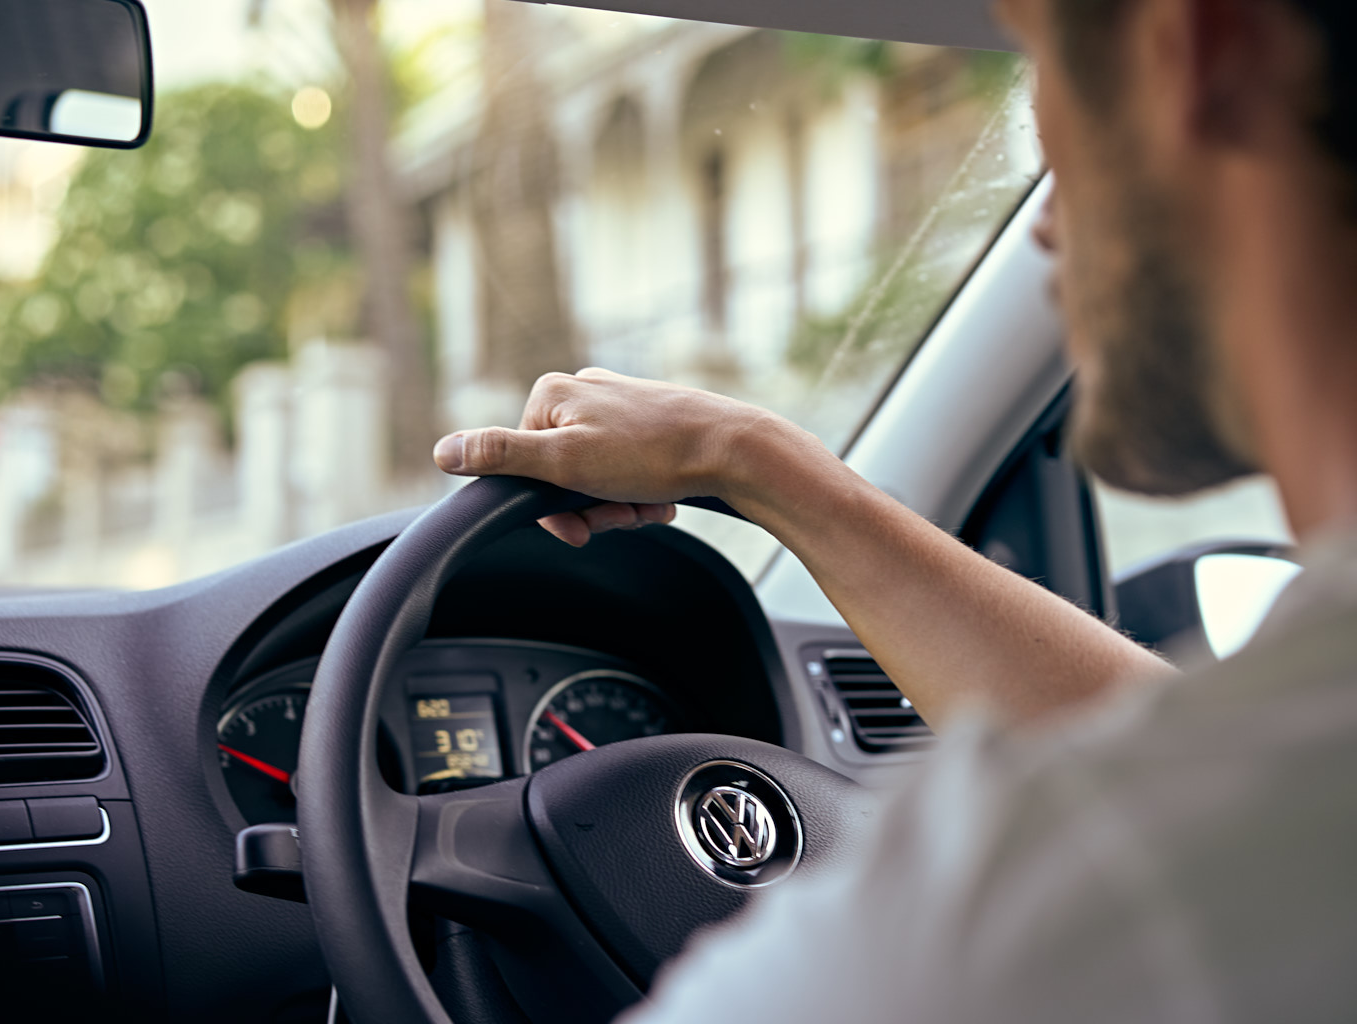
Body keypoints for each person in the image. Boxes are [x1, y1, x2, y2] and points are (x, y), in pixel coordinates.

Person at [434, 0, 1357, 1018]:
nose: (1043, 219)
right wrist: (749, 459)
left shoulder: (1019, 926)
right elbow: (1190, 772)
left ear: (1191, 51)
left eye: (1040, 71)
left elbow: (1170, 809)